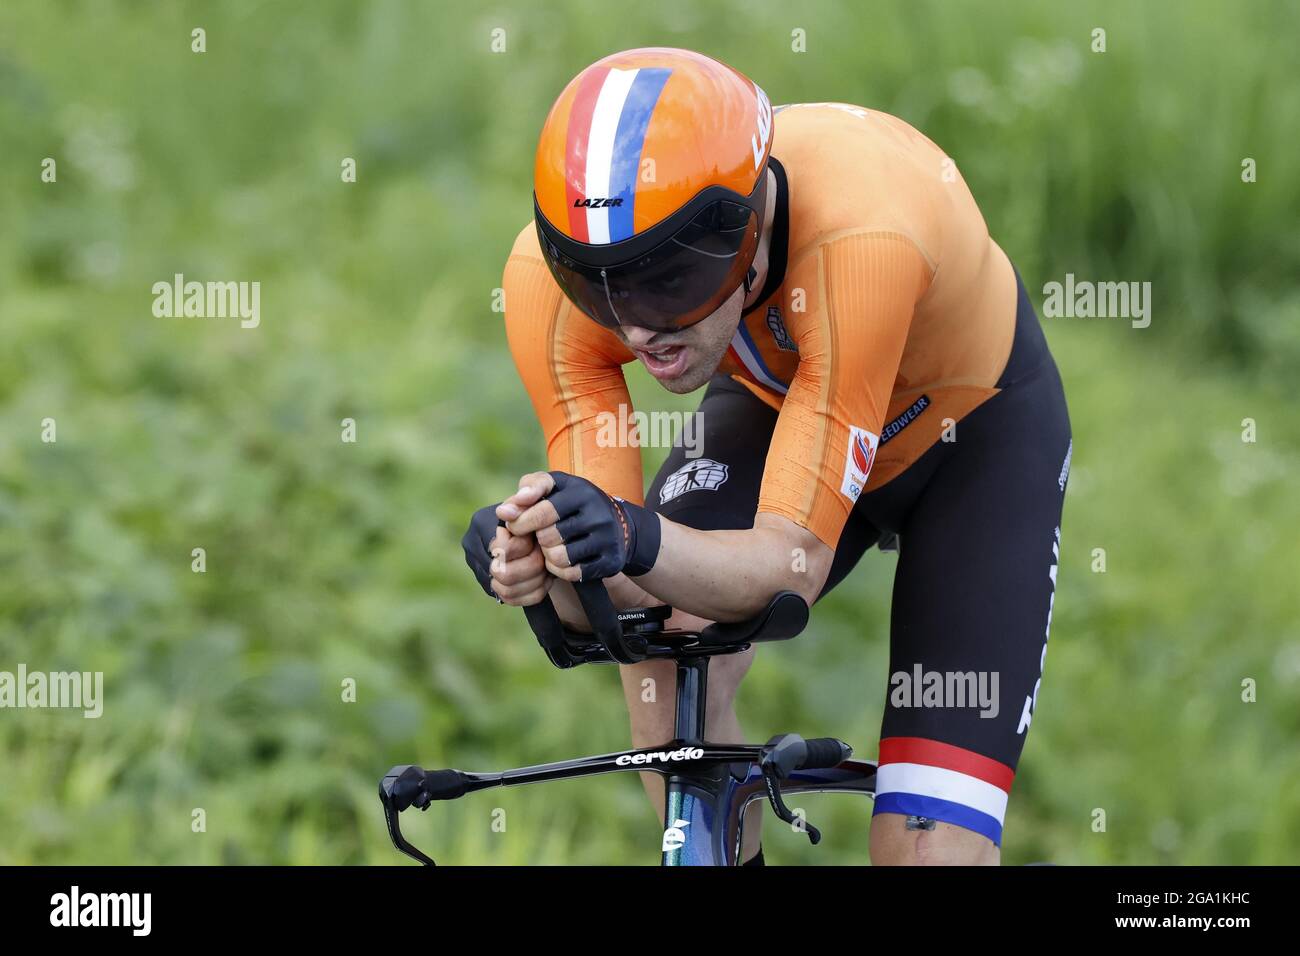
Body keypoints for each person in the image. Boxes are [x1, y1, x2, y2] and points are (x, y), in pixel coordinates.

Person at [463, 47, 1071, 865]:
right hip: (782, 395)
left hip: (973, 435)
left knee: (925, 850)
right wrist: (547, 560)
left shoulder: (862, 232)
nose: (637, 328)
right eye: (599, 288)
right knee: (664, 666)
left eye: (669, 282)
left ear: (746, 229)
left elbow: (789, 567)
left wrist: (631, 533)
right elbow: (622, 602)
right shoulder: (548, 282)